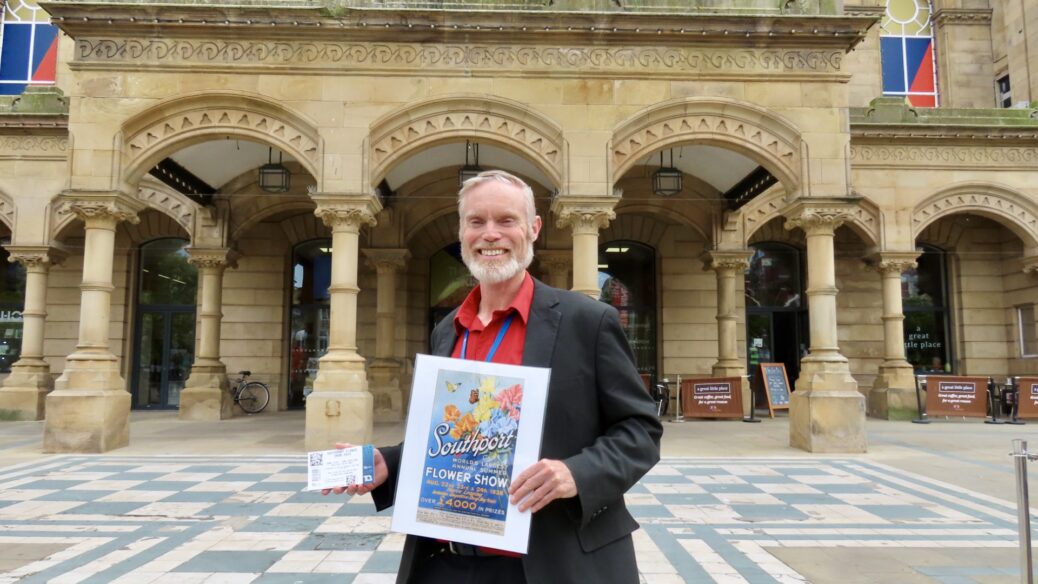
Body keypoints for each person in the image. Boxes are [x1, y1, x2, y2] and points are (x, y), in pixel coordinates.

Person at [325, 169, 663, 584]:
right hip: (449, 561)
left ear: (533, 229)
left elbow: (641, 430)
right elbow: (456, 436)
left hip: (551, 563)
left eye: (506, 220)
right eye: (476, 221)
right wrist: (389, 462)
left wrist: (577, 472)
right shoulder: (448, 329)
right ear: (462, 231)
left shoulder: (586, 321)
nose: (490, 234)